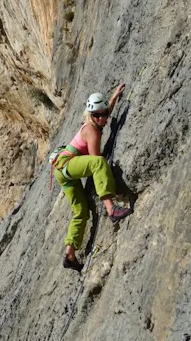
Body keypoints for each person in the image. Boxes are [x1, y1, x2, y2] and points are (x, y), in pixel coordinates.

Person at [53, 84, 133, 271]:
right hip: (67, 165)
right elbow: (95, 160)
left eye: (104, 113)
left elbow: (105, 112)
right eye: (98, 115)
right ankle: (111, 208)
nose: (103, 117)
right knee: (99, 163)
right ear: (91, 116)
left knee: (81, 211)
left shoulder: (96, 121)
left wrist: (114, 97)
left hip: (62, 172)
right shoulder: (91, 130)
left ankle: (70, 254)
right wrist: (113, 187)